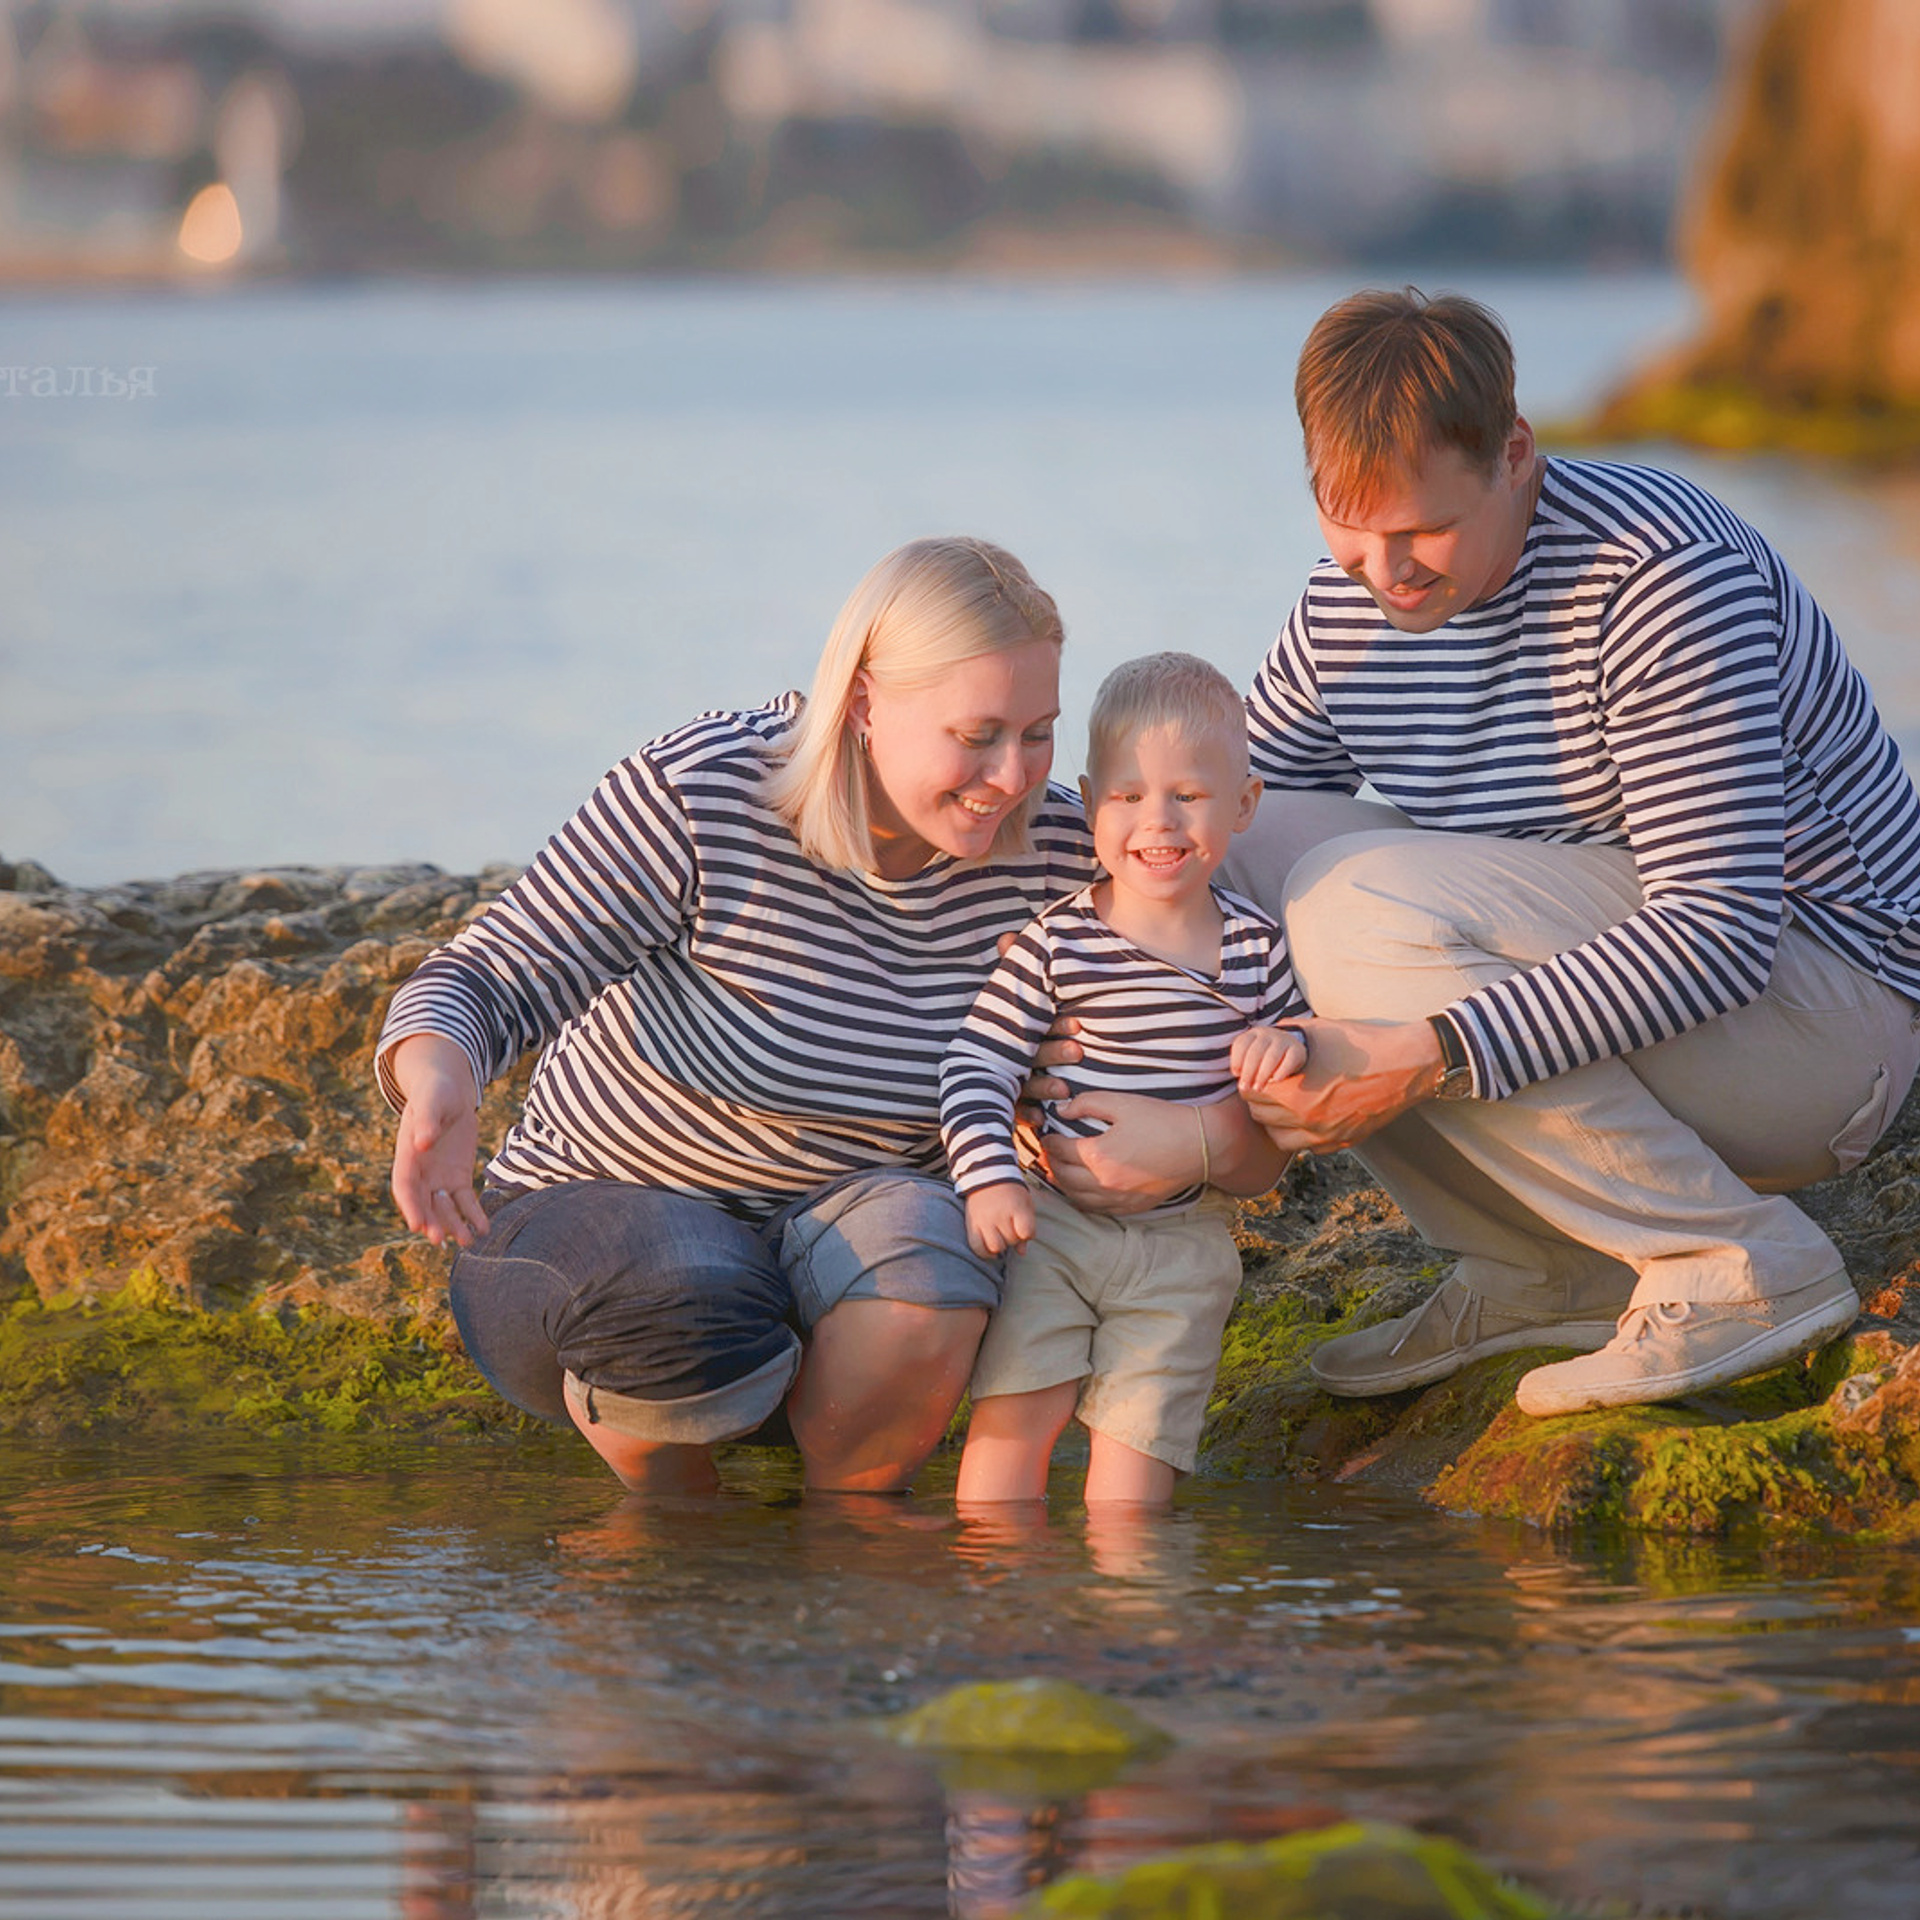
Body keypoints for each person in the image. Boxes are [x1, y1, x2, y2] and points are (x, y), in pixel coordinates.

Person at [376, 537, 1277, 1496]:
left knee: (936, 1264)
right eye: (977, 735)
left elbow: (1229, 972)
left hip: (852, 1298)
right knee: (692, 1297)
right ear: (861, 703)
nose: (1013, 776)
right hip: (608, 1253)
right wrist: (438, 1074)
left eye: (1039, 732)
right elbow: (497, 970)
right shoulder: (706, 791)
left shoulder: (1060, 854)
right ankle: (678, 1547)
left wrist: (1201, 1134)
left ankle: (845, 1556)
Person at [1219, 287, 1920, 1418]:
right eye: (1351, 529)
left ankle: (1738, 1265)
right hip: (1648, 975)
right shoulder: (1348, 606)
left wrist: (1430, 1049)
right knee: (1237, 850)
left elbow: (1718, 933)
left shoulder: (1661, 578)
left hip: (1825, 1019)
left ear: (1515, 455)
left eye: (1422, 532)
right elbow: (1215, 821)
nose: (1386, 571)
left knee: (1354, 909)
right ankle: (1543, 1268)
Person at [939, 653, 1303, 1505]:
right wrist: (989, 1178)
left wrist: (1289, 1046)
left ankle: (1129, 1627)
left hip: (1185, 1247)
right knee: (1008, 1439)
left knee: (1133, 1481)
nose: (1159, 821)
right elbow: (977, 1062)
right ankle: (998, 1609)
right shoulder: (1054, 944)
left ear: (1243, 803)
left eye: (1190, 794)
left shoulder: (1258, 948)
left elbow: (1299, 1057)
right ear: (1090, 797)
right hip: (1052, 1234)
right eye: (1129, 796)